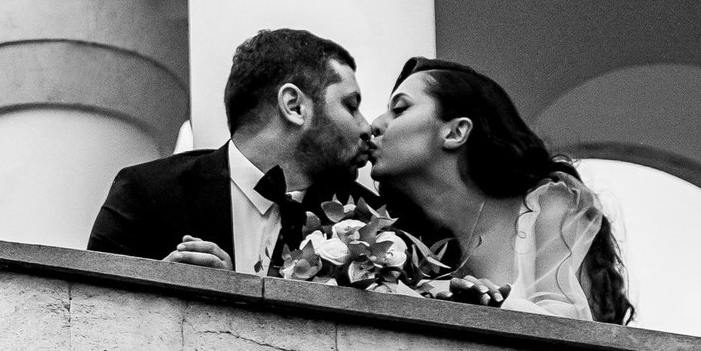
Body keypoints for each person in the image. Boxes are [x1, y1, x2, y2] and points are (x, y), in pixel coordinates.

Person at [368, 56, 633, 323]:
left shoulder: (546, 206)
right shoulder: (395, 242)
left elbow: (569, 324)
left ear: (455, 132)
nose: (374, 125)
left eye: (400, 109)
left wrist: (490, 307)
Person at [89, 28, 375, 274]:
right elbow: (86, 317)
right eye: (350, 105)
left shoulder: (366, 221)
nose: (366, 127)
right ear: (294, 106)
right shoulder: (146, 193)